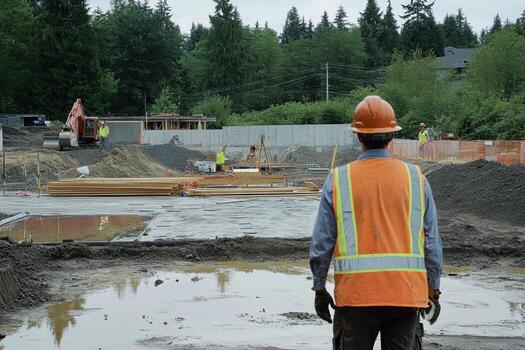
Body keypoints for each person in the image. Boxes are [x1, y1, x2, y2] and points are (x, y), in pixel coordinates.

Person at [310, 96, 443, 350]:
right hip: (405, 296)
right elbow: (432, 241)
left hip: (355, 299)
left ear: (358, 136)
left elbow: (322, 242)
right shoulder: (416, 178)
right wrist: (434, 289)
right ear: (392, 135)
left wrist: (319, 288)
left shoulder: (339, 180)